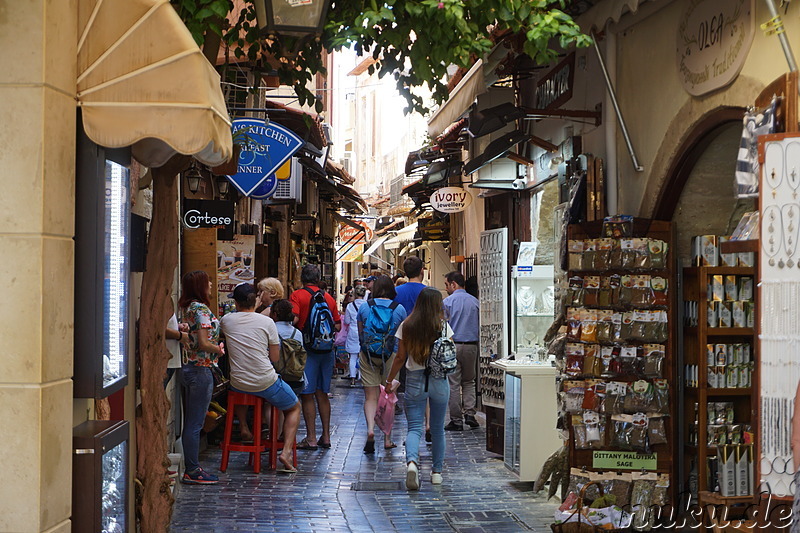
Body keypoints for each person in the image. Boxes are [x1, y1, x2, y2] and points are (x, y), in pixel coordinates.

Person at [220, 283, 301, 473]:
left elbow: (242, 317)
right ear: (255, 300)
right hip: (265, 381)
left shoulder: (226, 320)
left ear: (236, 302)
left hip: (239, 382)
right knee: (294, 406)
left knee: (237, 389)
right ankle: (286, 452)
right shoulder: (267, 323)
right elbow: (274, 358)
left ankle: (245, 428)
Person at [385, 287, 452, 490]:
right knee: (438, 428)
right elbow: (449, 353)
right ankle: (437, 473)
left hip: (414, 379)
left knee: (414, 428)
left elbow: (399, 358)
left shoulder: (407, 325)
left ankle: (412, 464)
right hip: (439, 380)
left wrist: (389, 381)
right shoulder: (443, 326)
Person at [178, 270, 224, 484]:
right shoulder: (201, 309)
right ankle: (193, 469)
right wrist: (219, 349)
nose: (211, 285)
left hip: (188, 367)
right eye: (208, 282)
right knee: (195, 423)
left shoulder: (186, 308)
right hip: (202, 368)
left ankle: (192, 467)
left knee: (191, 421)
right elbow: (204, 343)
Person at [289, 264, 341, 450]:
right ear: (318, 278)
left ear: (302, 277)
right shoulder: (328, 298)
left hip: (307, 350)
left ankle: (311, 438)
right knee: (323, 393)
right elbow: (337, 326)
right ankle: (326, 436)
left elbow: (293, 319)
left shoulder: (297, 295)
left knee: (307, 394)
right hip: (326, 351)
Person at [357, 275, 407, 453]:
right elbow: (402, 337)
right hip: (391, 356)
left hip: (368, 355)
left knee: (370, 397)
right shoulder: (399, 309)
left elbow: (361, 333)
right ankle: (387, 438)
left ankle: (370, 430)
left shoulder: (364, 307)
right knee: (389, 397)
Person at [443, 271, 481, 430]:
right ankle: (470, 413)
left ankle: (456, 420)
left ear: (453, 284)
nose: (446, 288)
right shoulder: (475, 302)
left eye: (446, 285)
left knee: (453, 383)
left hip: (452, 345)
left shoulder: (447, 302)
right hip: (472, 345)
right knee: (469, 380)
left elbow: (443, 325)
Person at [270, 299, 307, 395]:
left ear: (274, 314)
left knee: (270, 404)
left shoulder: (271, 331)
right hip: (296, 379)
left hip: (276, 378)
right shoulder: (297, 333)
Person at [344, 285, 367, 387]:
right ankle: (362, 378)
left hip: (353, 331)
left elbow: (346, 321)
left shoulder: (349, 306)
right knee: (363, 356)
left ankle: (352, 379)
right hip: (364, 331)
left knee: (353, 356)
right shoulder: (367, 305)